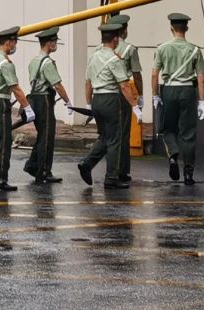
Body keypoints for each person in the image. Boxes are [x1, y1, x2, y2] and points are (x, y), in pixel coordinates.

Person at [78, 20, 138, 188]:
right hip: (111, 100)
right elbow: (124, 85)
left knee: (105, 137)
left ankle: (87, 164)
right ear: (116, 40)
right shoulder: (114, 60)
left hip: (97, 100)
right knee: (115, 139)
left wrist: (89, 103)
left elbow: (88, 82)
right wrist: (134, 105)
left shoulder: (94, 57)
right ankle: (111, 178)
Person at [151, 12, 204, 186]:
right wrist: (202, 101)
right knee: (188, 133)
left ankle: (173, 157)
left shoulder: (162, 48)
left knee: (167, 129)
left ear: (171, 29)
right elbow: (201, 78)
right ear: (186, 29)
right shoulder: (195, 50)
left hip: (169, 89)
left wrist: (155, 95)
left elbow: (154, 74)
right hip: (188, 91)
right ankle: (188, 174)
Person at [0, 25, 34, 192]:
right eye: (14, 42)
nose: (15, 45)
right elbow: (16, 88)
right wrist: (28, 108)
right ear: (9, 42)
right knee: (3, 144)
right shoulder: (5, 63)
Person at [24, 26, 72, 184]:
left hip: (34, 99)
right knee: (47, 137)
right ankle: (44, 171)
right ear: (49, 43)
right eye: (54, 41)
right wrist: (67, 101)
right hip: (44, 100)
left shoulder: (34, 61)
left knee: (41, 135)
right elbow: (57, 85)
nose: (56, 43)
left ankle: (32, 165)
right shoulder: (48, 63)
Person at [113, 14, 142, 182]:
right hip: (124, 91)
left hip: (106, 92)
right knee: (123, 133)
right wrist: (140, 95)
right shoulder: (130, 49)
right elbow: (136, 75)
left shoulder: (100, 49)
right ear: (124, 30)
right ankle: (122, 170)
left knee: (109, 134)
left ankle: (110, 168)